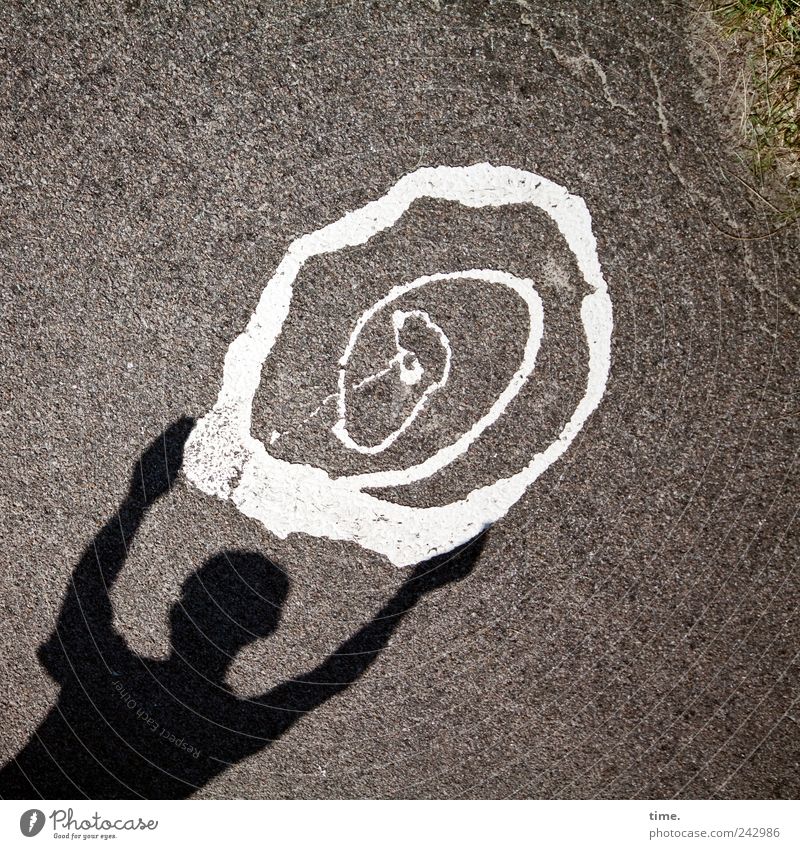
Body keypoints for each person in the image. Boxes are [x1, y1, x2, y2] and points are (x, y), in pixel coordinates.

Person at [0, 418, 484, 799]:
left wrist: (139, 500)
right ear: (265, 631)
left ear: (176, 609)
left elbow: (88, 588)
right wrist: (409, 595)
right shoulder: (222, 732)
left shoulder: (104, 674)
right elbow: (324, 682)